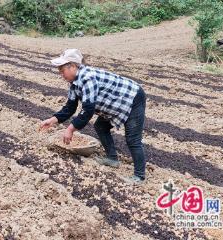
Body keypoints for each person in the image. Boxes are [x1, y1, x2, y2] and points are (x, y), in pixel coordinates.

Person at [39, 49, 147, 184]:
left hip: (132, 98)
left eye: (62, 71)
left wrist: (70, 129)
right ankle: (112, 159)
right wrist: (53, 120)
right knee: (100, 126)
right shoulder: (74, 83)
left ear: (72, 66)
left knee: (132, 139)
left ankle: (139, 176)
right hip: (114, 102)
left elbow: (88, 109)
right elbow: (70, 107)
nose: (61, 75)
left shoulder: (87, 78)